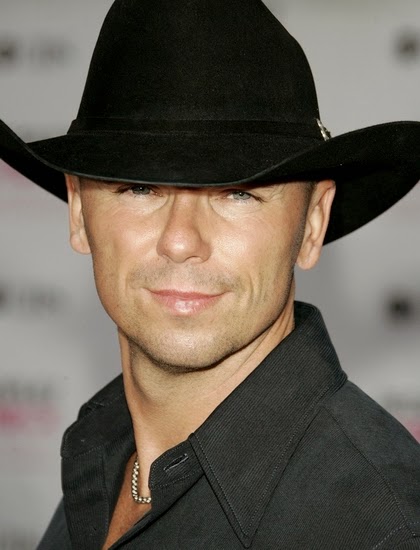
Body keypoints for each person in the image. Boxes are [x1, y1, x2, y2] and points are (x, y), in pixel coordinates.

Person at [1, 0, 420, 548]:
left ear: (313, 223)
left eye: (237, 193)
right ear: (79, 212)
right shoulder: (103, 458)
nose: (181, 240)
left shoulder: (379, 529)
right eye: (140, 187)